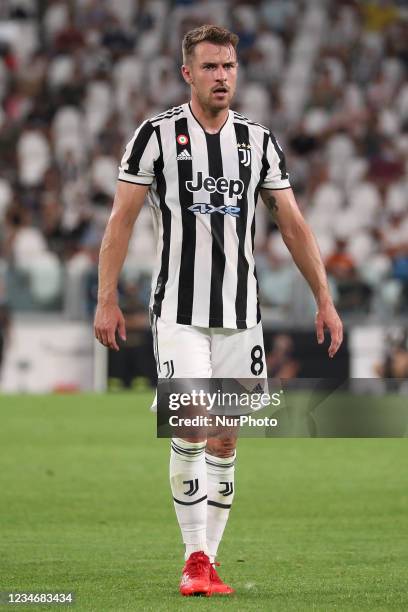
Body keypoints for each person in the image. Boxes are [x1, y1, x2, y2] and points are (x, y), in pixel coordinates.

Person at [94, 24, 343, 597]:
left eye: (228, 66)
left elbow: (293, 223)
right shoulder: (155, 136)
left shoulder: (257, 141)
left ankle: (211, 562)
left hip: (240, 315)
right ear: (188, 73)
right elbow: (121, 221)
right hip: (178, 312)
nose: (221, 76)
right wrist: (108, 298)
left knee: (226, 439)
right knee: (190, 424)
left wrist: (323, 299)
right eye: (209, 67)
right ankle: (194, 556)